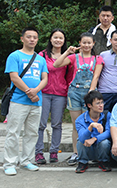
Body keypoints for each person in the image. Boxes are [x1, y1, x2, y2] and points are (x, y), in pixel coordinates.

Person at [3, 27, 49, 176]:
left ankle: (27, 160)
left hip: (36, 102)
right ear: (22, 39)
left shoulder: (40, 59)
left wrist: (35, 92)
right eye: (29, 37)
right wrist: (29, 92)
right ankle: (10, 162)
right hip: (18, 100)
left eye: (35, 37)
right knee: (13, 132)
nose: (32, 39)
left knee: (32, 133)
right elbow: (14, 77)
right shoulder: (14, 56)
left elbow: (45, 78)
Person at [54, 32, 103, 166]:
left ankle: (90, 152)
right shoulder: (74, 57)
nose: (86, 45)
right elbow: (57, 64)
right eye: (84, 42)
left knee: (90, 124)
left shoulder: (97, 58)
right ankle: (76, 153)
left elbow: (96, 76)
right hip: (74, 93)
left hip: (90, 94)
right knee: (77, 125)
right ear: (79, 43)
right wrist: (67, 52)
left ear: (93, 44)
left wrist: (91, 92)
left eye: (89, 43)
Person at [34, 29, 70, 165]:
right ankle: (38, 152)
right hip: (44, 92)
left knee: (57, 124)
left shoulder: (67, 56)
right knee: (41, 124)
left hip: (60, 93)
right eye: (55, 37)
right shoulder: (42, 55)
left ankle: (54, 151)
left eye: (61, 38)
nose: (58, 40)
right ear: (50, 39)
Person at [91, 30, 117, 114]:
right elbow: (98, 73)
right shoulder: (103, 55)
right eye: (115, 40)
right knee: (102, 116)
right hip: (104, 92)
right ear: (110, 41)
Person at [74, 90, 112, 173]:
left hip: (101, 149)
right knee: (80, 141)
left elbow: (109, 132)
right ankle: (82, 162)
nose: (101, 106)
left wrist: (94, 139)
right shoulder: (80, 120)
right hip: (88, 148)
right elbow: (82, 138)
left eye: (102, 103)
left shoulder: (107, 115)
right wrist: (91, 126)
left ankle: (103, 161)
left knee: (105, 142)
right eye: (98, 103)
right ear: (89, 105)